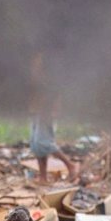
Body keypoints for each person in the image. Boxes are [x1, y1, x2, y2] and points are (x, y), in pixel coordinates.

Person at [28, 52, 77, 184]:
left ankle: (70, 166)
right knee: (35, 145)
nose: (34, 64)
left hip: (45, 111)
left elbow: (56, 93)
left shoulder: (48, 77)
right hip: (35, 111)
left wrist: (54, 109)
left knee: (44, 142)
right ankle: (43, 177)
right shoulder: (34, 78)